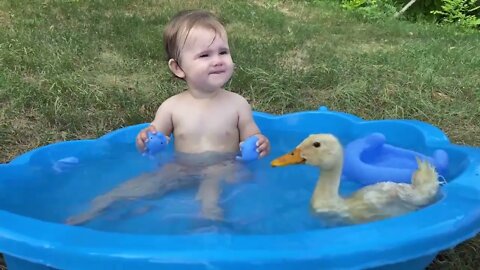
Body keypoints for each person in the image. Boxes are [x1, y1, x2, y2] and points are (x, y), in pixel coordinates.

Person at [67, 10, 270, 225]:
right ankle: (96, 210)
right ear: (178, 68)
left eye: (223, 52)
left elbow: (251, 134)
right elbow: (154, 136)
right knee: (140, 185)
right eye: (204, 55)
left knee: (211, 191)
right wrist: (145, 138)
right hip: (182, 166)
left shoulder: (237, 104)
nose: (217, 60)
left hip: (224, 166)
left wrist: (259, 143)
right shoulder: (172, 107)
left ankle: (208, 224)